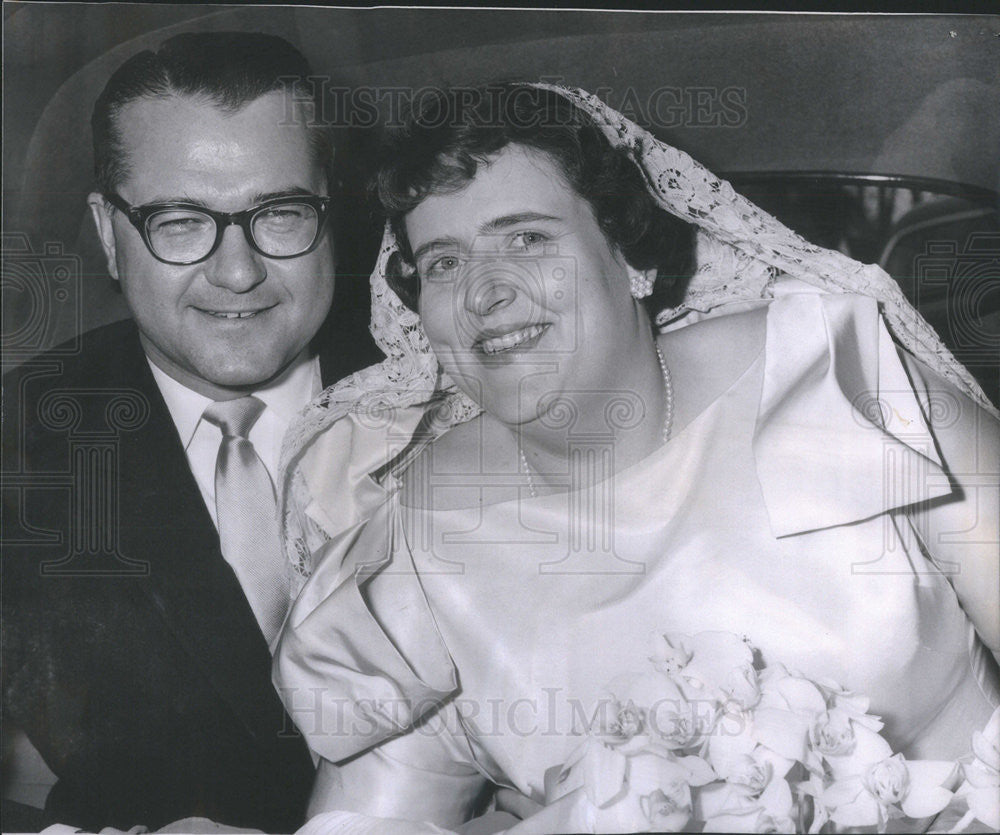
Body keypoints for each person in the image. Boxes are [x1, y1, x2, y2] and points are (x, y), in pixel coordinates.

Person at [273, 83, 1000, 832]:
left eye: (528, 238)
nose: (486, 292)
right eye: (444, 263)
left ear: (633, 261)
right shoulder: (416, 551)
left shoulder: (832, 382)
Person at [1, 31, 381, 833]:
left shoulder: (449, 381)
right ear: (109, 234)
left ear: (330, 207)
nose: (237, 272)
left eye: (279, 213)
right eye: (179, 222)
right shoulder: (19, 440)